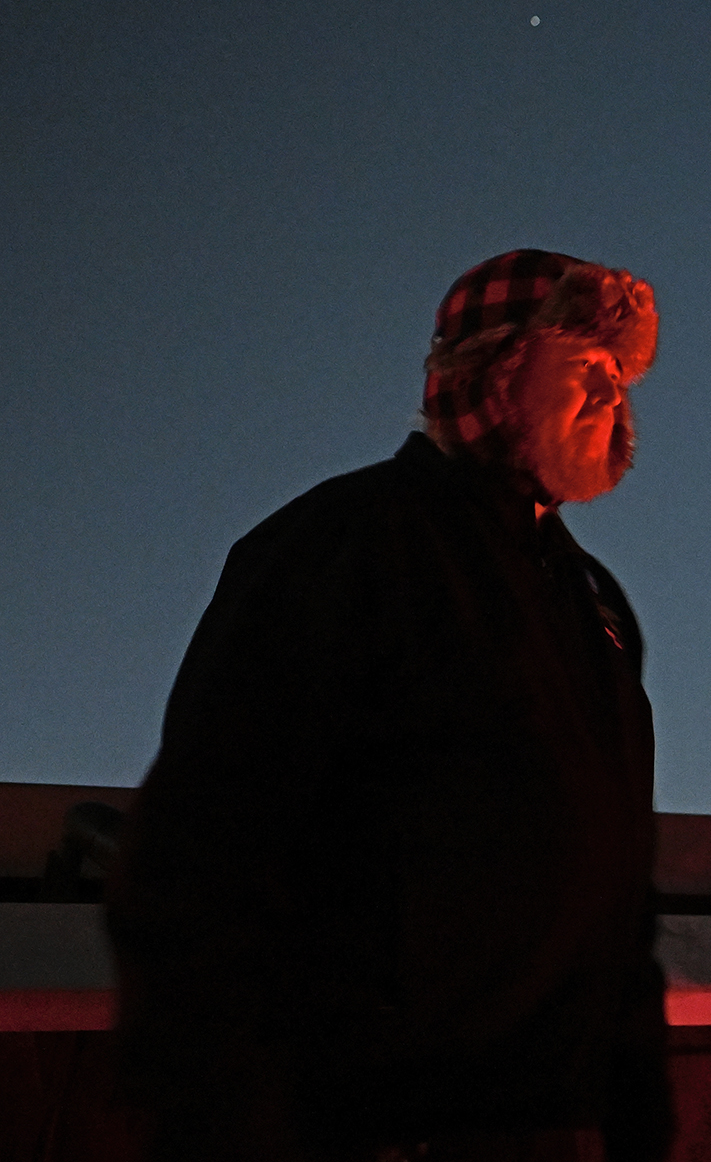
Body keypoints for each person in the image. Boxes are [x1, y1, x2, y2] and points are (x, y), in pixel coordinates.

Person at [109, 251, 671, 1162]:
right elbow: (199, 855)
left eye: (621, 374)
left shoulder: (593, 604)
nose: (614, 396)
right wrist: (228, 1120)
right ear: (496, 371)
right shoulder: (343, 545)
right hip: (374, 1123)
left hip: (556, 1123)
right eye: (585, 367)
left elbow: (620, 898)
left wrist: (638, 1119)